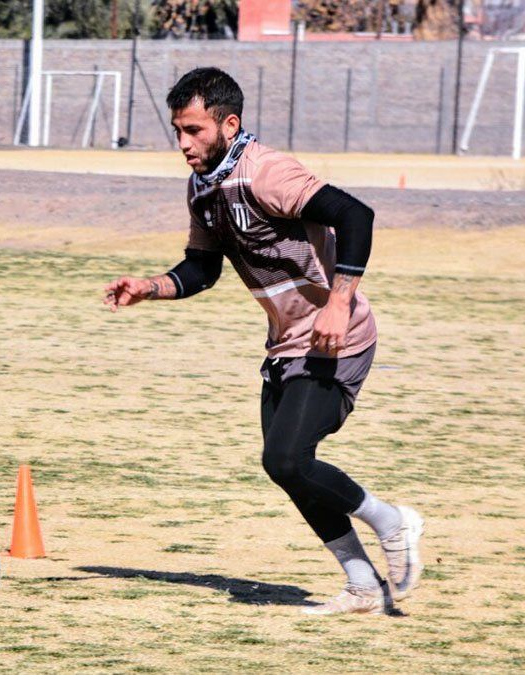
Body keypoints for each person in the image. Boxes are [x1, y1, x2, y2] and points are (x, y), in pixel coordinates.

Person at [104, 67, 424, 616]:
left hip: (336, 339)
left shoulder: (267, 173)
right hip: (285, 344)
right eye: (177, 131)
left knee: (288, 457)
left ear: (229, 123)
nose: (183, 144)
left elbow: (356, 215)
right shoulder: (204, 185)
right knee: (285, 467)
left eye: (195, 131)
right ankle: (363, 585)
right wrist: (150, 288)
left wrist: (341, 301)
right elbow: (203, 269)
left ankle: (392, 520)